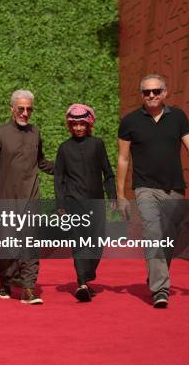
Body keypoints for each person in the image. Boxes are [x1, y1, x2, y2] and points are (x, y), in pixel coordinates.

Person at [117, 74, 189, 308]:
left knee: (167, 240)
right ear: (142, 95)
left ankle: (156, 274)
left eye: (156, 91)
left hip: (174, 188)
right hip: (144, 188)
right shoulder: (130, 121)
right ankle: (160, 289)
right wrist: (121, 194)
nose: (151, 95)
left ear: (165, 92)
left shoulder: (178, 117)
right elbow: (123, 159)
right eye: (146, 92)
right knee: (152, 234)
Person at [0, 89, 53, 305]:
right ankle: (6, 280)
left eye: (29, 109)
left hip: (30, 196)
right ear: (12, 108)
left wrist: (67, 167)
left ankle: (28, 288)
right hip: (4, 197)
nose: (25, 113)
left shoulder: (35, 132)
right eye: (21, 109)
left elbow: (41, 162)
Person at [54, 104, 116, 302]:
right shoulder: (64, 148)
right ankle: (81, 282)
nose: (78, 128)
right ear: (70, 126)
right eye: (75, 124)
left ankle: (87, 276)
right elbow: (59, 179)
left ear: (89, 124)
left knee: (97, 244)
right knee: (79, 242)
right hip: (74, 203)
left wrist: (112, 196)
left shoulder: (98, 144)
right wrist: (61, 205)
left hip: (97, 203)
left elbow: (108, 173)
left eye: (82, 124)